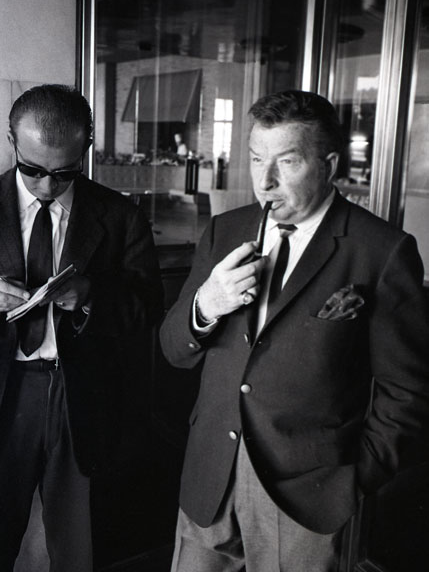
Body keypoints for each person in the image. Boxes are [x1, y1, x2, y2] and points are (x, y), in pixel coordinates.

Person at [160, 89, 429, 572]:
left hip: (308, 495)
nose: (265, 181)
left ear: (328, 165)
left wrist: (354, 477)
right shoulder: (224, 231)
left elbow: (407, 390)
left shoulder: (382, 250)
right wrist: (206, 305)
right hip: (209, 476)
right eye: (255, 159)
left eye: (286, 162)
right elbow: (173, 350)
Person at [0, 84, 163, 571]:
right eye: (33, 170)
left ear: (86, 148)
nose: (47, 186)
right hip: (6, 390)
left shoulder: (121, 215)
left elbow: (148, 310)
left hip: (81, 395)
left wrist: (92, 296)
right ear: (12, 141)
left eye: (64, 173)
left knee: (77, 544)